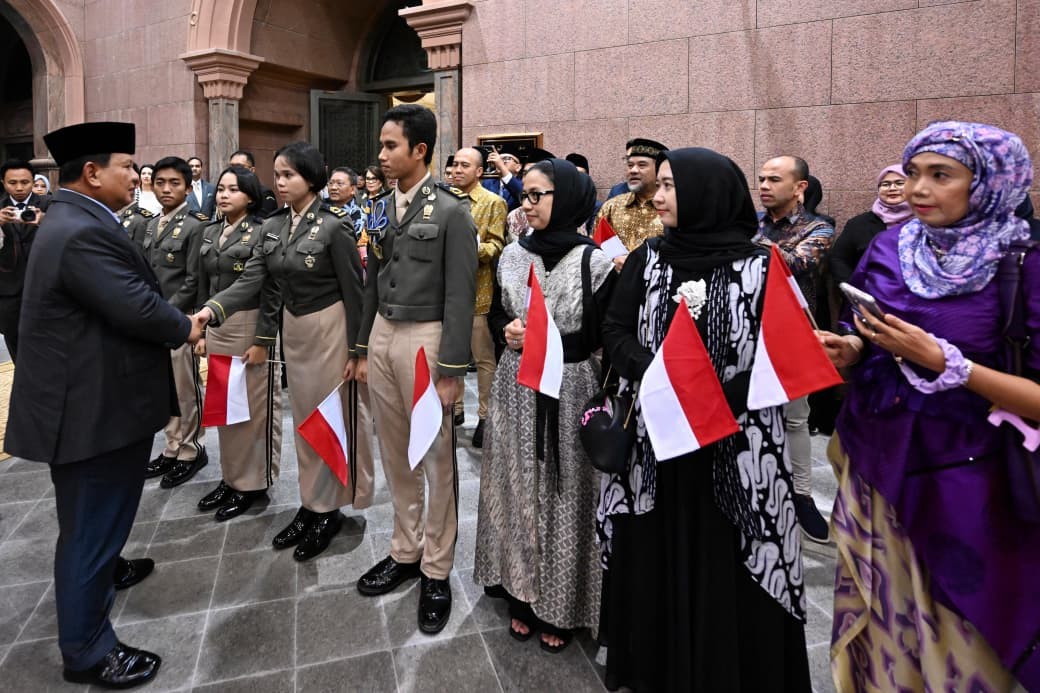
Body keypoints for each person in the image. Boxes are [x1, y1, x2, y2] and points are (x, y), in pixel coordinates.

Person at [818, 121, 1040, 693]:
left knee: (965, 633)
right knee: (891, 625)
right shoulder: (891, 246)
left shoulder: (1025, 263)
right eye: (913, 172)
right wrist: (854, 346)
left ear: (990, 183)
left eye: (941, 175)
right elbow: (870, 329)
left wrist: (949, 365)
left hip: (972, 486)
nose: (918, 188)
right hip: (879, 463)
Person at [598, 147, 810, 692]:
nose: (661, 196)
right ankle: (658, 665)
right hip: (657, 440)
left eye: (672, 186)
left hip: (735, 443)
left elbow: (784, 351)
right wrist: (660, 377)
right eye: (661, 185)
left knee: (726, 552)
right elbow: (616, 331)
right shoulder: (649, 259)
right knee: (657, 544)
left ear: (709, 193)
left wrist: (715, 395)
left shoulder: (763, 265)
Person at [5, 120, 203, 689]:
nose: (136, 176)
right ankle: (88, 650)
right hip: (90, 412)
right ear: (91, 173)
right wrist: (184, 326)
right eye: (126, 167)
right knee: (89, 525)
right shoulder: (80, 230)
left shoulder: (72, 217)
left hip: (92, 399)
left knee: (96, 517)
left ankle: (107, 570)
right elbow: (137, 306)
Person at [197, 142, 369, 561]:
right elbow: (254, 278)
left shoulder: (333, 226)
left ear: (311, 178)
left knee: (326, 419)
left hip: (329, 329)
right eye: (277, 174)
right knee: (302, 422)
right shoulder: (273, 227)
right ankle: (311, 503)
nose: (280, 181)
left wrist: (358, 351)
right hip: (294, 330)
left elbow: (357, 292)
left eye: (289, 174)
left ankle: (327, 510)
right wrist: (212, 310)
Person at [474, 157, 614, 653]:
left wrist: (556, 337)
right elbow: (494, 315)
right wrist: (506, 332)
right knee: (515, 482)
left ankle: (562, 603)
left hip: (569, 385)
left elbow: (604, 335)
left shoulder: (594, 262)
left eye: (538, 196)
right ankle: (520, 594)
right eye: (525, 195)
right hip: (516, 385)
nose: (527, 205)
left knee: (564, 488)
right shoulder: (512, 255)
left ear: (569, 199)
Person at [354, 104, 477, 635]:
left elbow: (460, 294)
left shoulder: (451, 211)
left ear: (419, 150)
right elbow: (371, 280)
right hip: (382, 334)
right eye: (381, 146)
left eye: (390, 146)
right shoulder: (379, 207)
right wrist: (361, 348)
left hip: (427, 340)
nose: (381, 156)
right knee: (394, 448)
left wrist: (451, 368)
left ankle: (436, 568)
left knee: (435, 456)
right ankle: (404, 551)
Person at [193, 165, 283, 521]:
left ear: (250, 195)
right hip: (217, 325)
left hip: (249, 324)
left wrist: (263, 339)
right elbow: (204, 282)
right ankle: (231, 478)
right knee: (224, 409)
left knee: (252, 411)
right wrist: (201, 331)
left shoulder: (262, 232)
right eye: (220, 189)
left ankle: (253, 482)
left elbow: (271, 289)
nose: (224, 195)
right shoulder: (211, 230)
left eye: (233, 189)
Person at [754, 154, 835, 542]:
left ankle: (801, 495)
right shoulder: (752, 224)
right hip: (749, 328)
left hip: (792, 332)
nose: (764, 186)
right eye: (761, 179)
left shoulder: (818, 228)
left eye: (774, 179)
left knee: (795, 417)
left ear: (800, 187)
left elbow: (794, 264)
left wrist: (741, 240)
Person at [143, 156, 211, 488]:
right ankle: (171, 446)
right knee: (165, 388)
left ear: (187, 186)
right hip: (153, 320)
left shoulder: (196, 224)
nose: (166, 189)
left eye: (174, 183)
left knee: (185, 388)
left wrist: (166, 314)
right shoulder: (149, 224)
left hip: (179, 320)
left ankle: (191, 449)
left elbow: (194, 279)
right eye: (160, 182)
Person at [451, 147, 507, 443]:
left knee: (484, 359)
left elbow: (497, 245)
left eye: (464, 165)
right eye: (455, 165)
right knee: (451, 355)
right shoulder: (442, 201)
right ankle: (455, 408)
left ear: (479, 171)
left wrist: (470, 249)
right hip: (447, 294)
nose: (457, 170)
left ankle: (485, 416)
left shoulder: (492, 202)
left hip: (479, 293)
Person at [830, 165, 912, 287]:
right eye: (885, 184)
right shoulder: (858, 224)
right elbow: (839, 259)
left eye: (899, 183)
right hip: (868, 298)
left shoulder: (926, 221)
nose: (892, 188)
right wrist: (854, 290)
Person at [0, 158, 49, 361]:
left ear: (33, 181)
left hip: (45, 289)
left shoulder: (50, 205)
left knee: (48, 350)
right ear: (3, 182)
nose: (19, 188)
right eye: (13, 183)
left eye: (25, 182)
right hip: (8, 294)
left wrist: (46, 221)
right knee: (18, 352)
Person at [594, 138, 668, 270]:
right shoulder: (612, 207)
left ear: (659, 170)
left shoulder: (671, 207)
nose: (633, 170)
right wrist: (612, 260)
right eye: (630, 165)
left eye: (642, 165)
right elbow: (594, 247)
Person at [117, 163, 156, 250]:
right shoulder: (108, 213)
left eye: (149, 174)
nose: (146, 176)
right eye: (143, 173)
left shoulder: (142, 219)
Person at [229, 149, 278, 217]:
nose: (233, 170)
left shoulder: (264, 193)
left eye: (239, 167)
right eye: (231, 167)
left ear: (251, 170)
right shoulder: (224, 193)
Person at [482, 144, 523, 210]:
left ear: (518, 167)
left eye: (506, 159)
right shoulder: (487, 184)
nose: (500, 162)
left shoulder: (523, 183)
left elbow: (521, 194)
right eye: (499, 159)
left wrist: (501, 166)